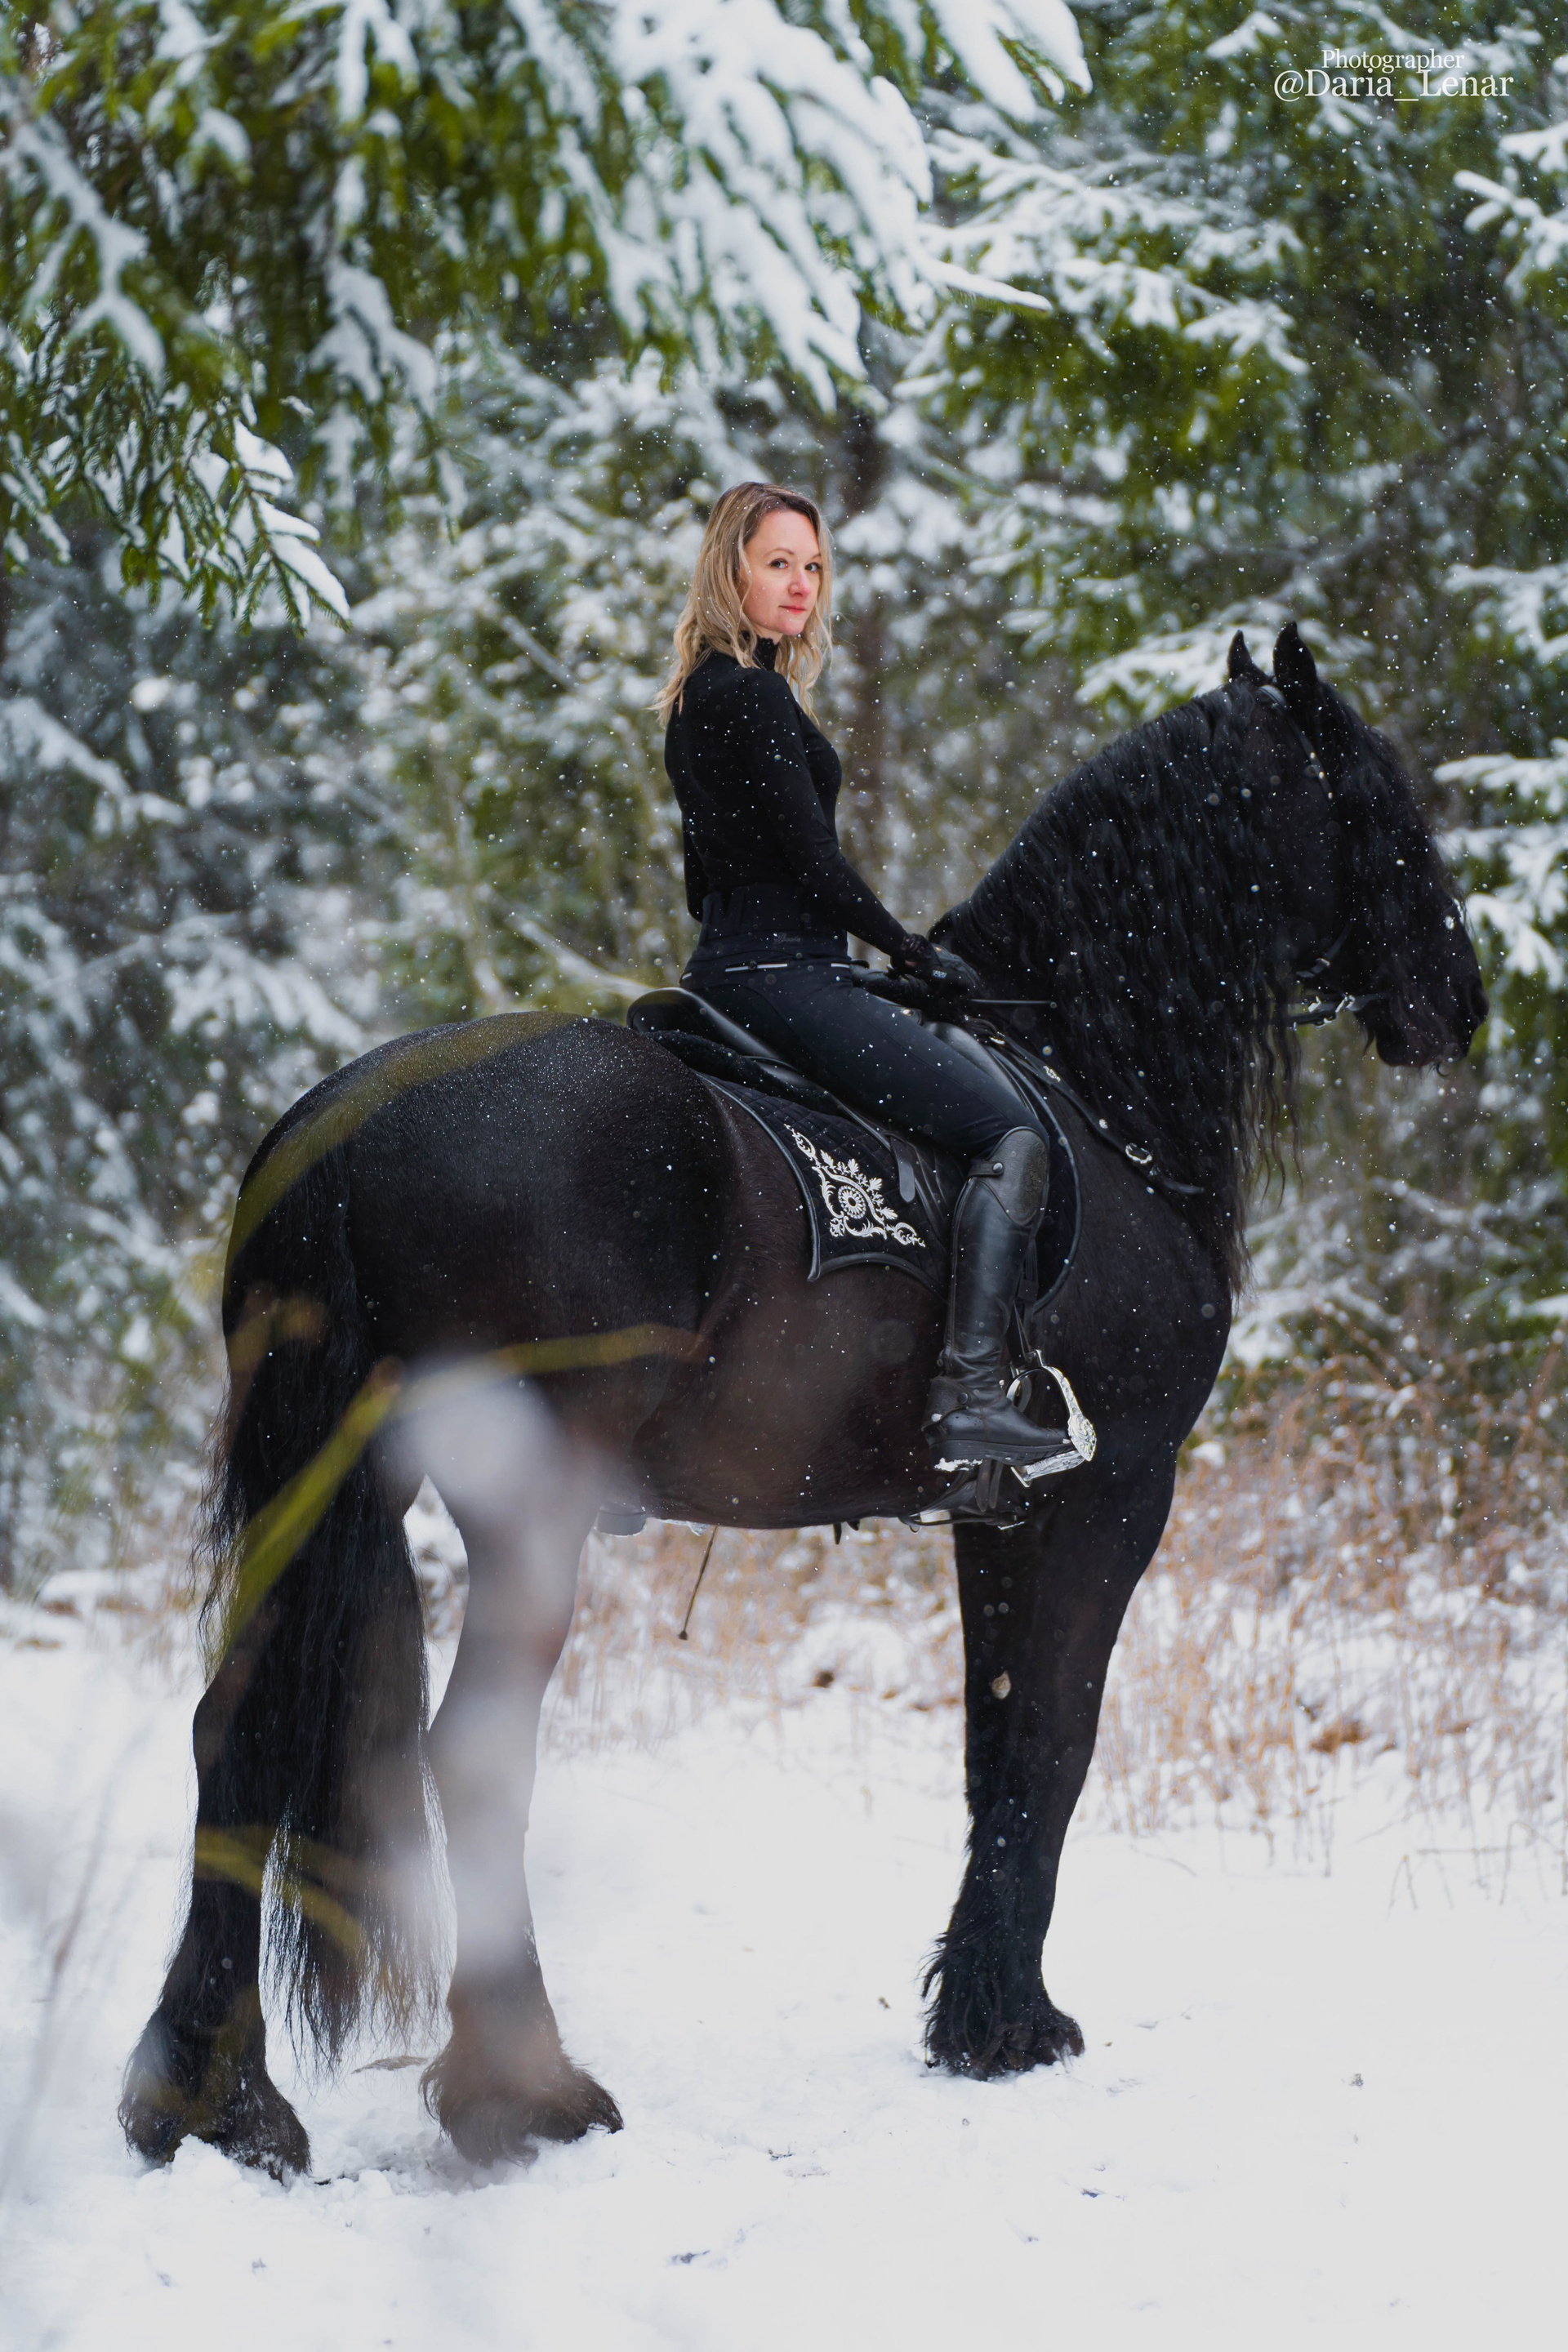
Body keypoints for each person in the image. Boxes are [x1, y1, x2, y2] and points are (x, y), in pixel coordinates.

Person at [657, 479, 1070, 1474]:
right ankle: (972, 1392)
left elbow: (702, 882)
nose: (801, 585)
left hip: (724, 973)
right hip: (786, 979)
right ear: (729, 571)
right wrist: (910, 952)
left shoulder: (691, 700)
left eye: (813, 566)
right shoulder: (757, 696)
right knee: (1009, 1136)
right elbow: (813, 862)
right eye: (778, 564)